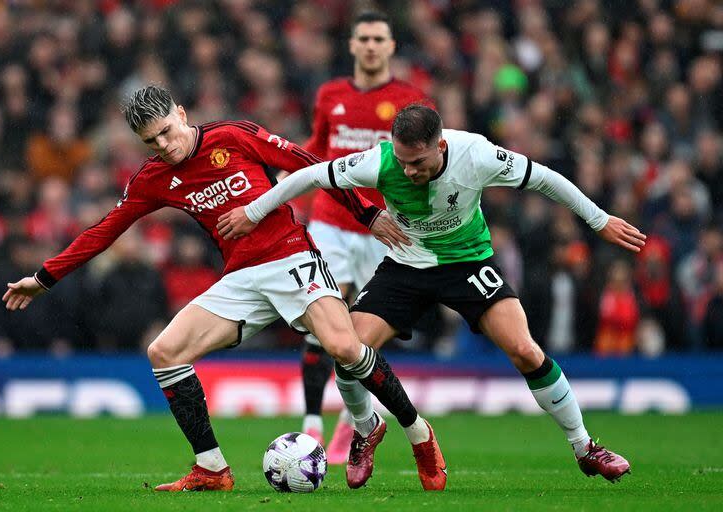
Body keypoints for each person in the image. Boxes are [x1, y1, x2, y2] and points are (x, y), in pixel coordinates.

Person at [2, 87, 446, 492]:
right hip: (241, 277)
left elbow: (312, 168)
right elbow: (104, 230)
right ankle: (211, 467)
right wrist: (44, 278)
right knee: (164, 352)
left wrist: (366, 215)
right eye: (150, 142)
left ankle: (417, 435)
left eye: (165, 132)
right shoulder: (153, 177)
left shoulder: (233, 136)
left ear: (181, 113)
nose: (162, 146)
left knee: (345, 348)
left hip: (290, 255)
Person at [219, 104, 646, 483]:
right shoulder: (380, 162)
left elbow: (545, 179)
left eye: (417, 161)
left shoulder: (476, 155)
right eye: (402, 161)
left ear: (440, 145)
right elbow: (311, 174)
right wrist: (255, 212)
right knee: (346, 349)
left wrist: (598, 220)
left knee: (525, 351)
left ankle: (585, 447)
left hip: (468, 263)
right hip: (405, 266)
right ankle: (366, 429)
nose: (408, 171)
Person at [298, 10, 432, 462]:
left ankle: (352, 420)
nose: (372, 45)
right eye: (364, 38)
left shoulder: (411, 98)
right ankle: (311, 425)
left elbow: (426, 162)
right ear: (352, 45)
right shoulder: (330, 95)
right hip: (330, 223)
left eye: (380, 38)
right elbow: (315, 151)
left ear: (391, 46)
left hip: (385, 229)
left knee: (363, 330)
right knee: (320, 320)